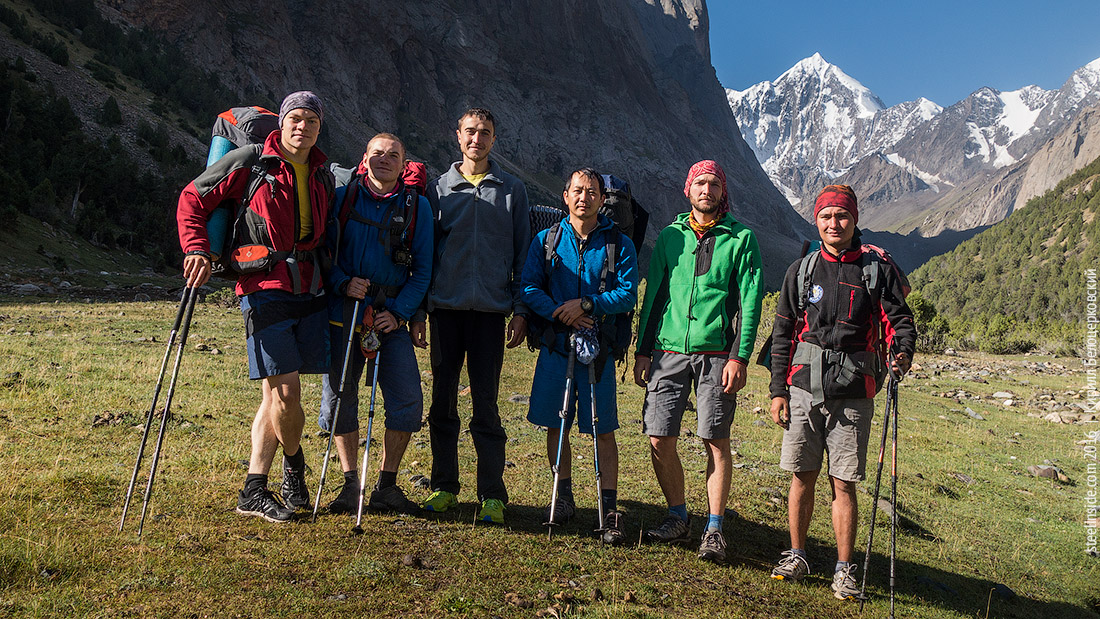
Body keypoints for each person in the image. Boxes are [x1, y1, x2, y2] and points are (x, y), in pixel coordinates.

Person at [177, 91, 334, 522]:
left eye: (312, 122)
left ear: (320, 128)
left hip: (309, 288)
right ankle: (295, 466)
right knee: (287, 392)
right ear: (282, 122)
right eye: (295, 119)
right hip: (262, 284)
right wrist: (196, 249)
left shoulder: (321, 173)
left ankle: (253, 488)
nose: (302, 127)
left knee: (273, 395)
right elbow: (194, 198)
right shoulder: (251, 160)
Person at [766, 184, 915, 600]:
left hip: (854, 389)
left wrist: (902, 354)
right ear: (817, 220)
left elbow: (899, 321)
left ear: (854, 220)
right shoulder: (802, 269)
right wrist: (779, 390)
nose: (835, 223)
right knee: (801, 475)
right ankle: (796, 554)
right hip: (804, 387)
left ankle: (844, 570)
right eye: (827, 216)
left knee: (843, 482)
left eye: (842, 216)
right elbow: (782, 333)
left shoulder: (875, 269)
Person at [633, 160, 763, 563]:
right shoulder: (671, 237)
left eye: (713, 184)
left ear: (723, 192)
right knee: (658, 437)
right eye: (699, 183)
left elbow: (749, 302)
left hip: (716, 354)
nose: (706, 189)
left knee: (715, 440)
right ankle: (678, 516)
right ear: (688, 190)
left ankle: (714, 528)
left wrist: (739, 357)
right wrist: (642, 350)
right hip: (669, 350)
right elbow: (654, 294)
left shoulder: (741, 239)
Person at [414, 107, 531, 524]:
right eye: (470, 131)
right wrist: (421, 310)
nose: (476, 139)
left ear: (493, 140)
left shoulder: (513, 191)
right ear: (457, 135)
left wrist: (520, 309)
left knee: (487, 404)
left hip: (489, 314)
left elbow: (523, 255)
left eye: (485, 133)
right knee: (442, 402)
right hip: (445, 310)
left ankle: (492, 495)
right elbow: (424, 254)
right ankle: (444, 487)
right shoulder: (437, 189)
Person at [317, 133, 433, 515]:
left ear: (403, 164)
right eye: (377, 154)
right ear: (364, 159)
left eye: (393, 155)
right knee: (339, 398)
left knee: (407, 401)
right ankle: (352, 483)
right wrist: (340, 282)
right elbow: (323, 251)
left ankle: (386, 485)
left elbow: (423, 271)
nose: (385, 160)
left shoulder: (418, 209)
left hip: (390, 318)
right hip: (343, 312)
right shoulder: (342, 198)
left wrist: (400, 312)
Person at [521, 168, 638, 544]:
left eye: (591, 192)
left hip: (598, 350)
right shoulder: (546, 240)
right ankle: (564, 497)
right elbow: (528, 287)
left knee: (603, 429)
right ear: (566, 196)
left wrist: (587, 304)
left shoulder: (619, 244)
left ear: (603, 199)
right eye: (577, 191)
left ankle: (609, 507)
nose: (584, 197)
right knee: (557, 426)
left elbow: (627, 293)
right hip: (557, 345)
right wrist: (561, 312)